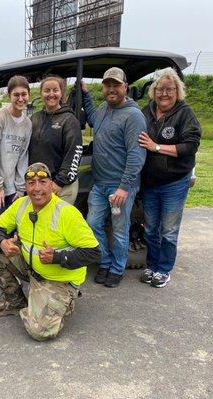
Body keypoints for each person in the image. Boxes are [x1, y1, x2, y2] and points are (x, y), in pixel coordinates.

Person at [0, 162, 100, 341]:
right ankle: (17, 303)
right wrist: (2, 241)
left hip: (59, 281)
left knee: (40, 332)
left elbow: (93, 252)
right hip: (32, 269)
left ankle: (60, 304)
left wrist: (58, 257)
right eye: (31, 183)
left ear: (51, 185)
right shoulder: (21, 205)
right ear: (26, 186)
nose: (37, 188)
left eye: (42, 182)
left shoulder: (67, 213)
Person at [81, 67, 147, 288]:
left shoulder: (133, 116)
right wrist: (85, 94)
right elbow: (92, 118)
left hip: (119, 187)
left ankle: (117, 268)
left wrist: (124, 187)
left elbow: (137, 155)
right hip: (100, 184)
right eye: (107, 85)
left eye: (115, 85)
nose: (111, 89)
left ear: (125, 86)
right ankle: (105, 261)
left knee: (120, 229)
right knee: (92, 224)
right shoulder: (103, 109)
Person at [138, 67, 201, 288]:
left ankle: (163, 269)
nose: (164, 93)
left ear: (178, 91)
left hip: (174, 181)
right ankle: (151, 265)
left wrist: (156, 147)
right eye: (160, 89)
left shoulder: (185, 114)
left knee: (169, 229)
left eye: (170, 89)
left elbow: (190, 146)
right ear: (153, 91)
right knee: (150, 227)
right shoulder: (146, 112)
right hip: (149, 182)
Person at [0, 75, 32, 218]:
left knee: (17, 229)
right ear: (9, 95)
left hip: (13, 188)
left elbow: (23, 156)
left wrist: (21, 189)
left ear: (29, 95)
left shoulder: (27, 123)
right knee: (2, 229)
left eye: (24, 94)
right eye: (16, 94)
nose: (20, 99)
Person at [29, 75, 83, 205]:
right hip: (38, 185)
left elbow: (74, 154)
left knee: (56, 224)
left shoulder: (69, 120)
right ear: (41, 93)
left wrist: (59, 182)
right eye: (47, 90)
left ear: (61, 93)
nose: (51, 94)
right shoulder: (34, 119)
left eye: (55, 90)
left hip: (61, 187)